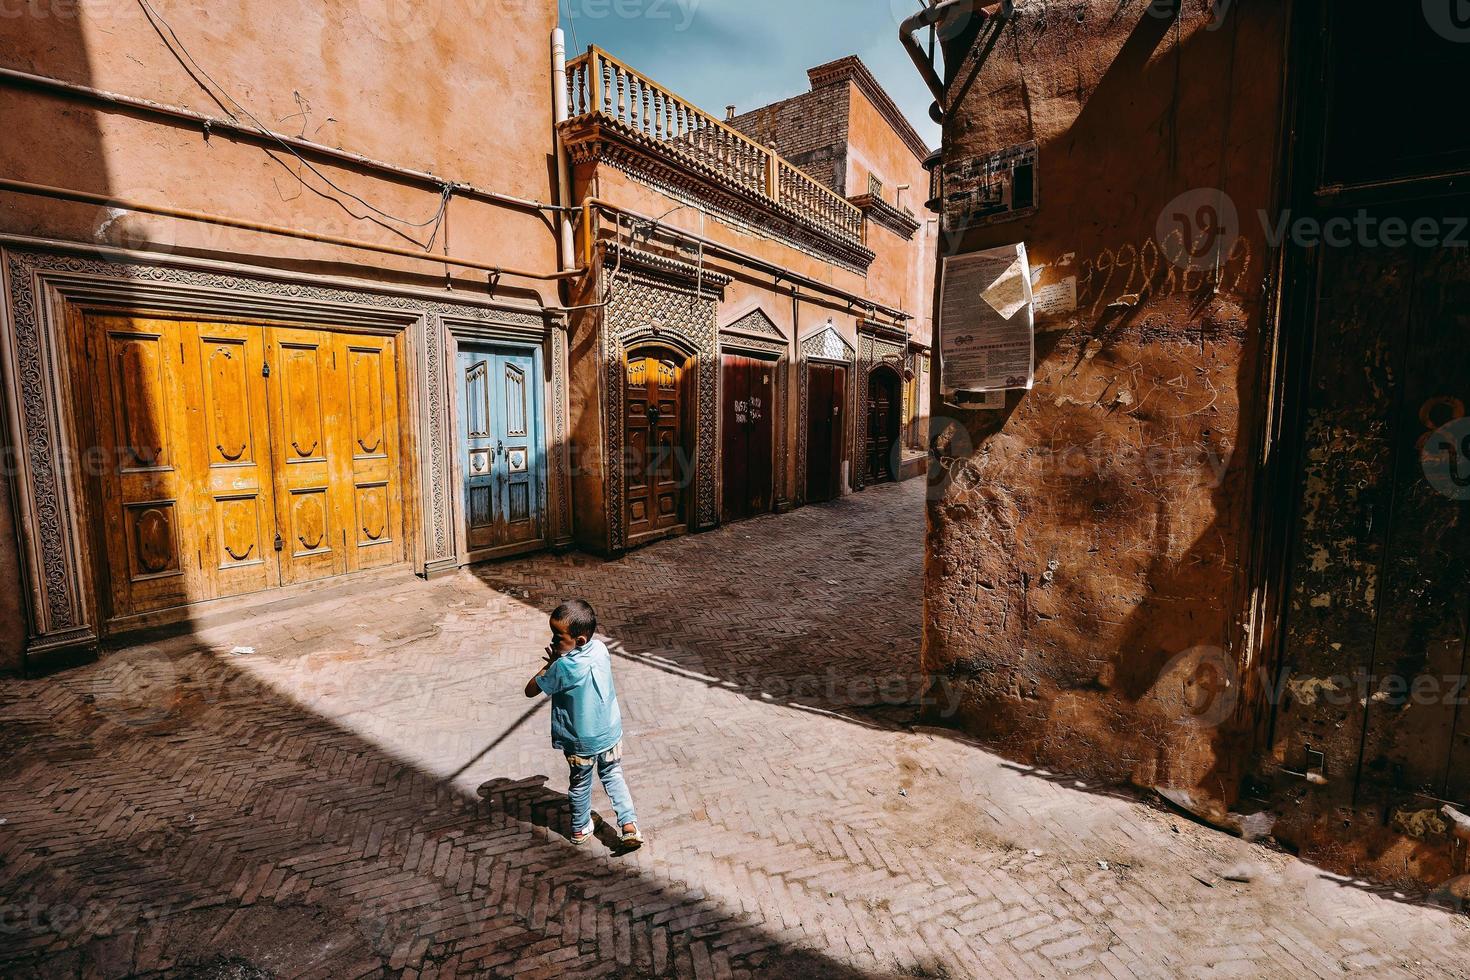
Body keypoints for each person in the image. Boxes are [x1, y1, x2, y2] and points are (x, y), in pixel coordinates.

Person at [524, 599, 643, 849]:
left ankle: (580, 828)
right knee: (613, 775)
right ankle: (629, 825)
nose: (554, 641)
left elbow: (531, 690)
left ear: (578, 640)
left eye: (558, 636)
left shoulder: (563, 667)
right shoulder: (600, 649)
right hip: (609, 733)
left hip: (580, 743)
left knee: (580, 785)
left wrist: (551, 663)